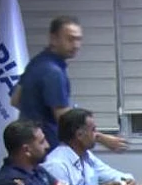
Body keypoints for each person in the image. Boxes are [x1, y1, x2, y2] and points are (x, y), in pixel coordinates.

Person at [12, 15, 128, 153]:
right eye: (70, 39)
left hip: (30, 148)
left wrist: (36, 113)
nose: (76, 45)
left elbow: (15, 100)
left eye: (79, 39)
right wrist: (102, 138)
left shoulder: (36, 62)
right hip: (47, 150)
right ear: (53, 39)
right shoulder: (53, 72)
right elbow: (65, 120)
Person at [43, 108, 136, 185]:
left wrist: (128, 182)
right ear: (79, 135)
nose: (97, 136)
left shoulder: (86, 155)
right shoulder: (56, 164)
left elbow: (115, 176)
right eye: (93, 130)